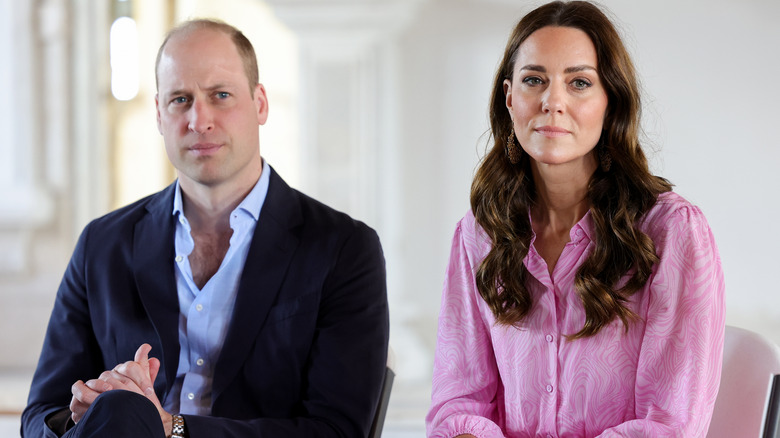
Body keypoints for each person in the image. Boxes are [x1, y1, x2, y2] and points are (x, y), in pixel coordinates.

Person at [22, 19, 389, 438]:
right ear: (159, 114)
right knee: (119, 411)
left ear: (261, 103)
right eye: (180, 99)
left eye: (221, 95)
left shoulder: (343, 248)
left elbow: (337, 431)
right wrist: (83, 411)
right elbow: (39, 415)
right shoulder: (102, 244)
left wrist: (171, 428)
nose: (200, 119)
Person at [426, 1, 725, 437]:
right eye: (534, 80)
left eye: (579, 82)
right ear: (510, 98)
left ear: (611, 102)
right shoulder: (478, 235)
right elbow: (457, 405)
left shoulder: (673, 232)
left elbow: (669, 425)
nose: (552, 102)